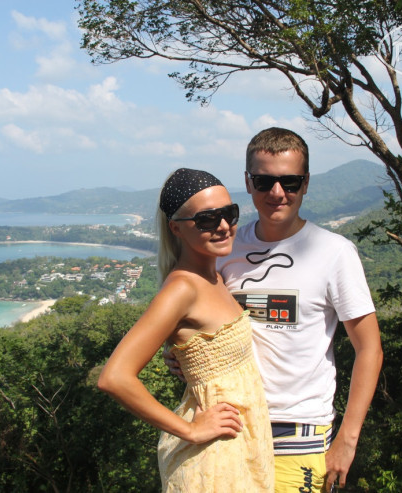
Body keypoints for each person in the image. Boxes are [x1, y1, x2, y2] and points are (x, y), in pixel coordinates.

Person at [165, 128, 383, 492]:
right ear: (248, 183)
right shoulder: (225, 247)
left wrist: (348, 438)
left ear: (306, 183)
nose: (277, 193)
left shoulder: (334, 253)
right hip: (230, 427)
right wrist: (183, 355)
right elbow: (199, 317)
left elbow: (370, 349)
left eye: (290, 181)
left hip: (298, 430)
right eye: (264, 181)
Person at [97, 168, 274, 492]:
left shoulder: (214, 276)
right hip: (214, 459)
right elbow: (114, 377)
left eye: (229, 213)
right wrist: (189, 430)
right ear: (176, 228)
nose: (224, 226)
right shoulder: (182, 289)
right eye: (207, 219)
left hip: (240, 447)